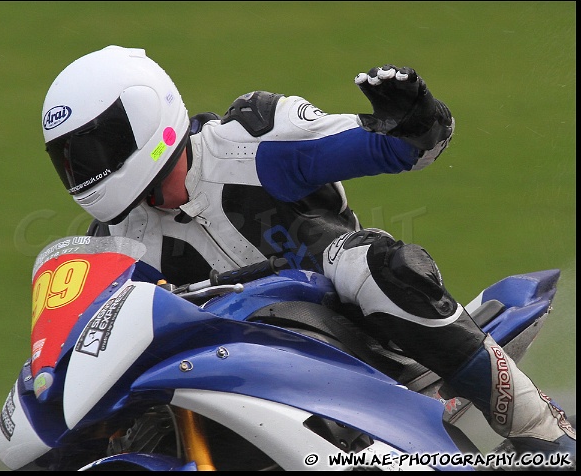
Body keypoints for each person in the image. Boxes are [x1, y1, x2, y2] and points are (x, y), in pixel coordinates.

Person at [40, 45, 575, 462]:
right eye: (69, 161)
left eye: (91, 151)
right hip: (226, 372)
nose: (83, 172)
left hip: (356, 337)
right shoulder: (113, 243)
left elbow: (402, 147)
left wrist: (413, 118)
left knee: (366, 261)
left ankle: (543, 431)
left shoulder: (252, 138)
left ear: (144, 118)